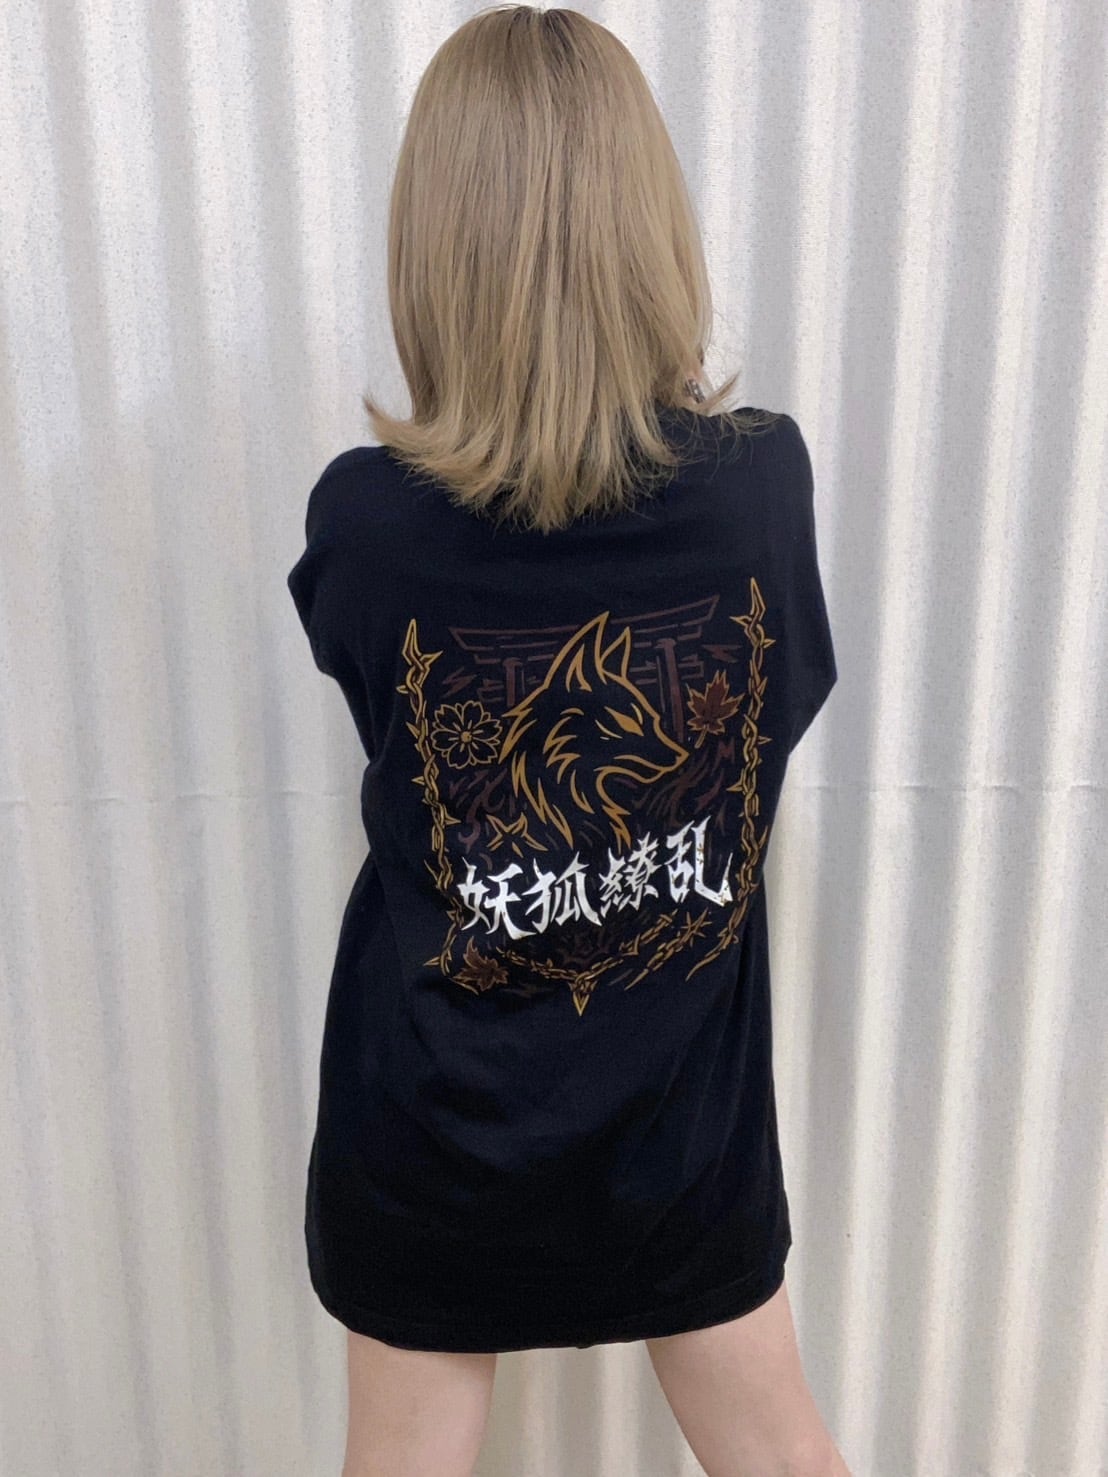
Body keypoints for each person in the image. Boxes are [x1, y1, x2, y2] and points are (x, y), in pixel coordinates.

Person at [286, 6, 850, 1475]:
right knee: (780, 1449)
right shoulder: (760, 492)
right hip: (681, 1122)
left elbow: (398, 734)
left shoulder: (368, 524)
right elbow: (775, 722)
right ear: (648, 236)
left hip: (437, 1121)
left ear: (437, 252)